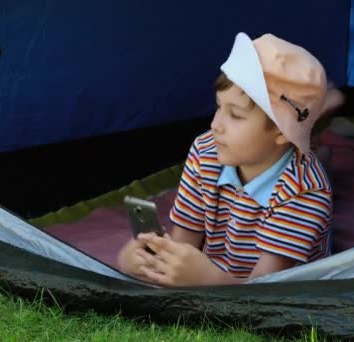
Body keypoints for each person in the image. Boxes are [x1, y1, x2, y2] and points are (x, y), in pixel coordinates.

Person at [117, 32, 340, 287]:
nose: (215, 125)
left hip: (265, 278)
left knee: (316, 182)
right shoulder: (206, 151)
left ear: (280, 131)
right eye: (218, 107)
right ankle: (316, 145)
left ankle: (318, 154)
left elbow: (265, 294)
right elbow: (182, 243)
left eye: (235, 115)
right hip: (229, 270)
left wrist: (205, 279)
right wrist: (145, 260)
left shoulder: (305, 191)